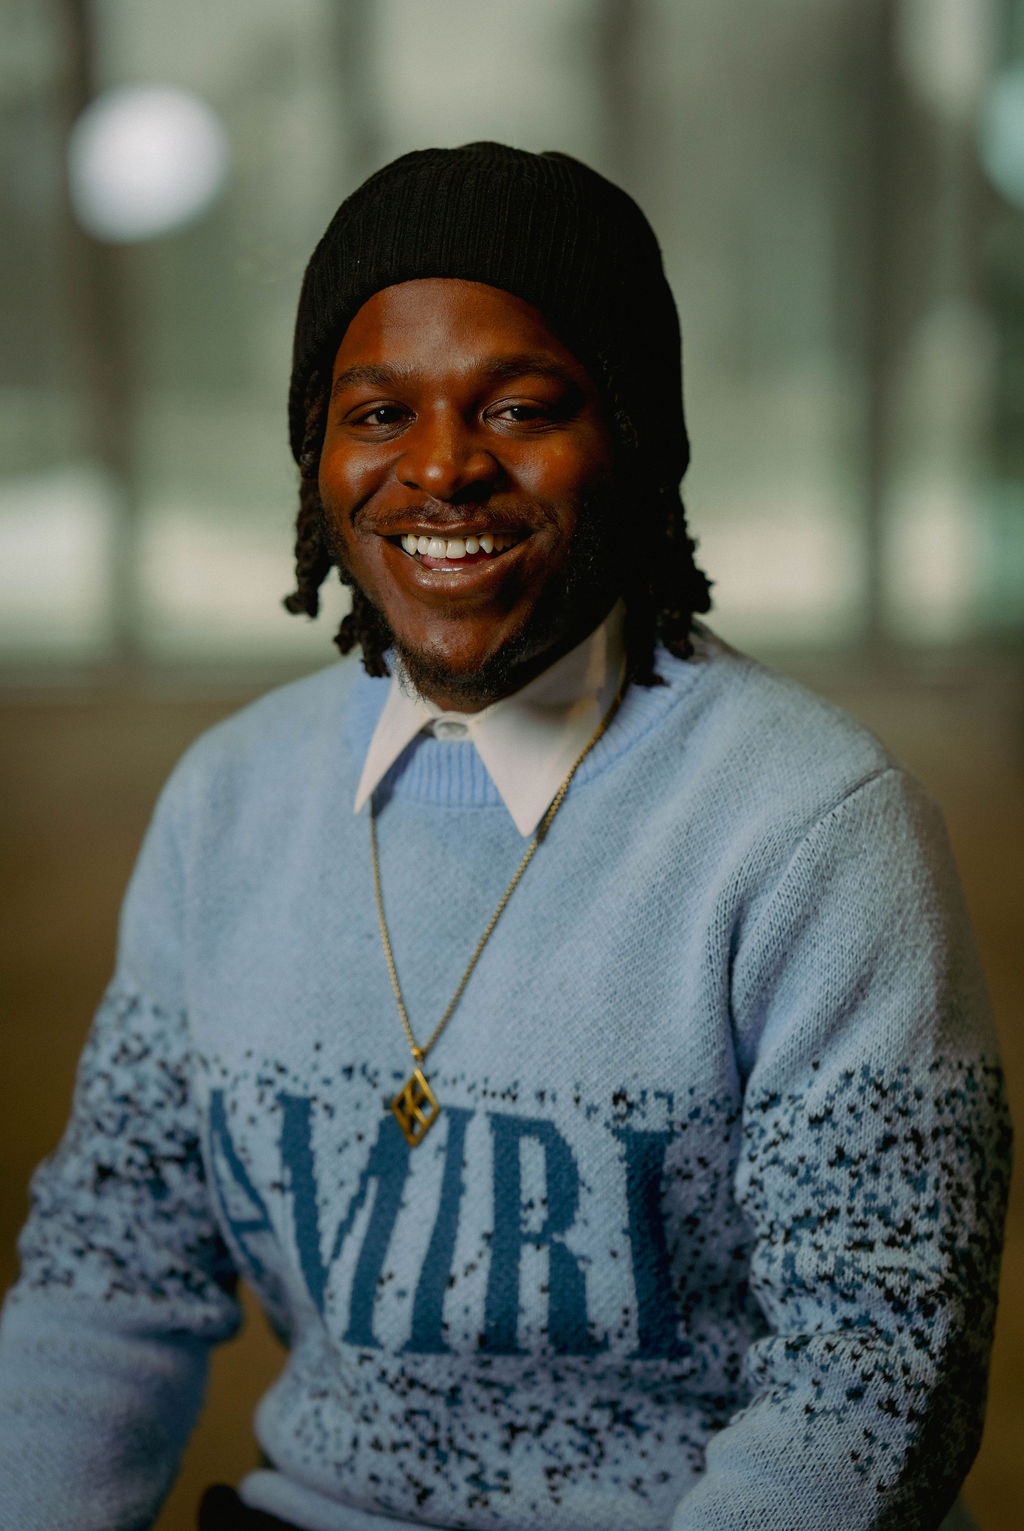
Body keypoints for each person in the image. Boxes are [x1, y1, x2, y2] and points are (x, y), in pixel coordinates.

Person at [0, 143, 1011, 1531]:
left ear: (635, 437)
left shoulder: (813, 832)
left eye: (519, 408)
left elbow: (875, 1380)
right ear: (318, 451)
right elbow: (104, 1276)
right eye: (377, 413)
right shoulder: (227, 803)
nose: (440, 471)